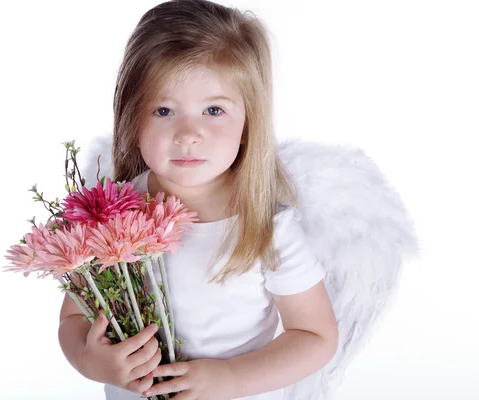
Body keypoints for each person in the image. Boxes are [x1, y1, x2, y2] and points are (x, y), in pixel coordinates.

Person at [58, 1, 338, 399]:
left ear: (247, 124)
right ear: (131, 119)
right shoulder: (111, 213)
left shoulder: (266, 226)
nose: (188, 133)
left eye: (213, 110)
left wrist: (232, 378)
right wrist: (91, 360)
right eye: (164, 110)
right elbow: (73, 319)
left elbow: (315, 335)